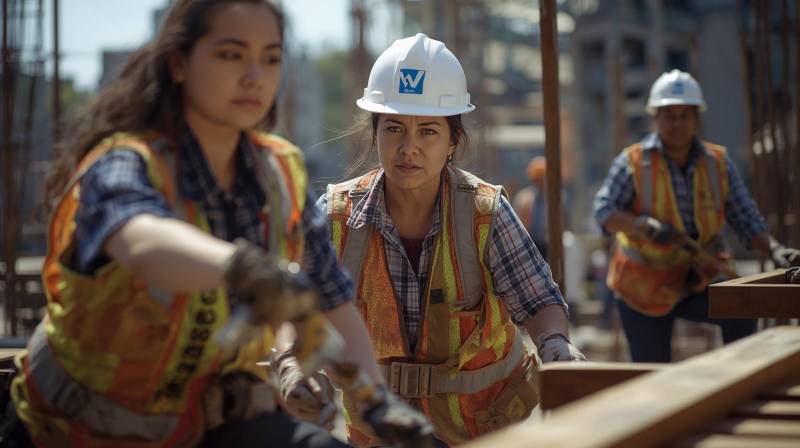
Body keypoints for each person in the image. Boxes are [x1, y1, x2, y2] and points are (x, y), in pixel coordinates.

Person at [3, 1, 430, 447]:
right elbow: (139, 240)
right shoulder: (125, 164)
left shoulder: (279, 174)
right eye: (231, 55)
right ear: (179, 63)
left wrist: (379, 403)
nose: (254, 76)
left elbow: (334, 299)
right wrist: (243, 267)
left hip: (201, 427)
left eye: (270, 57)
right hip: (71, 433)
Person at [312, 33, 585, 447]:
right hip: (381, 431)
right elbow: (293, 308)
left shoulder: (485, 213)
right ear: (375, 133)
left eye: (427, 131)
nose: (409, 147)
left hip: (480, 429)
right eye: (394, 129)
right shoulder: (337, 217)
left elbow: (538, 300)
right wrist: (295, 366)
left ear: (453, 141)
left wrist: (556, 344)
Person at [593, 69, 800, 363]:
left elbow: (746, 217)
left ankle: (733, 387)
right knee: (652, 374)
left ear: (696, 119)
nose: (677, 123)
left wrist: (776, 249)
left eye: (684, 115)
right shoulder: (633, 162)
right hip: (644, 286)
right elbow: (603, 211)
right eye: (669, 115)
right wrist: (642, 226)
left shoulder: (716, 163)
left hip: (700, 276)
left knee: (740, 312)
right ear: (655, 118)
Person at [512, 157, 549, 259]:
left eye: (542, 179)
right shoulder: (524, 198)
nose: (540, 182)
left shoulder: (553, 200)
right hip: (528, 244)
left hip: (547, 245)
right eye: (537, 179)